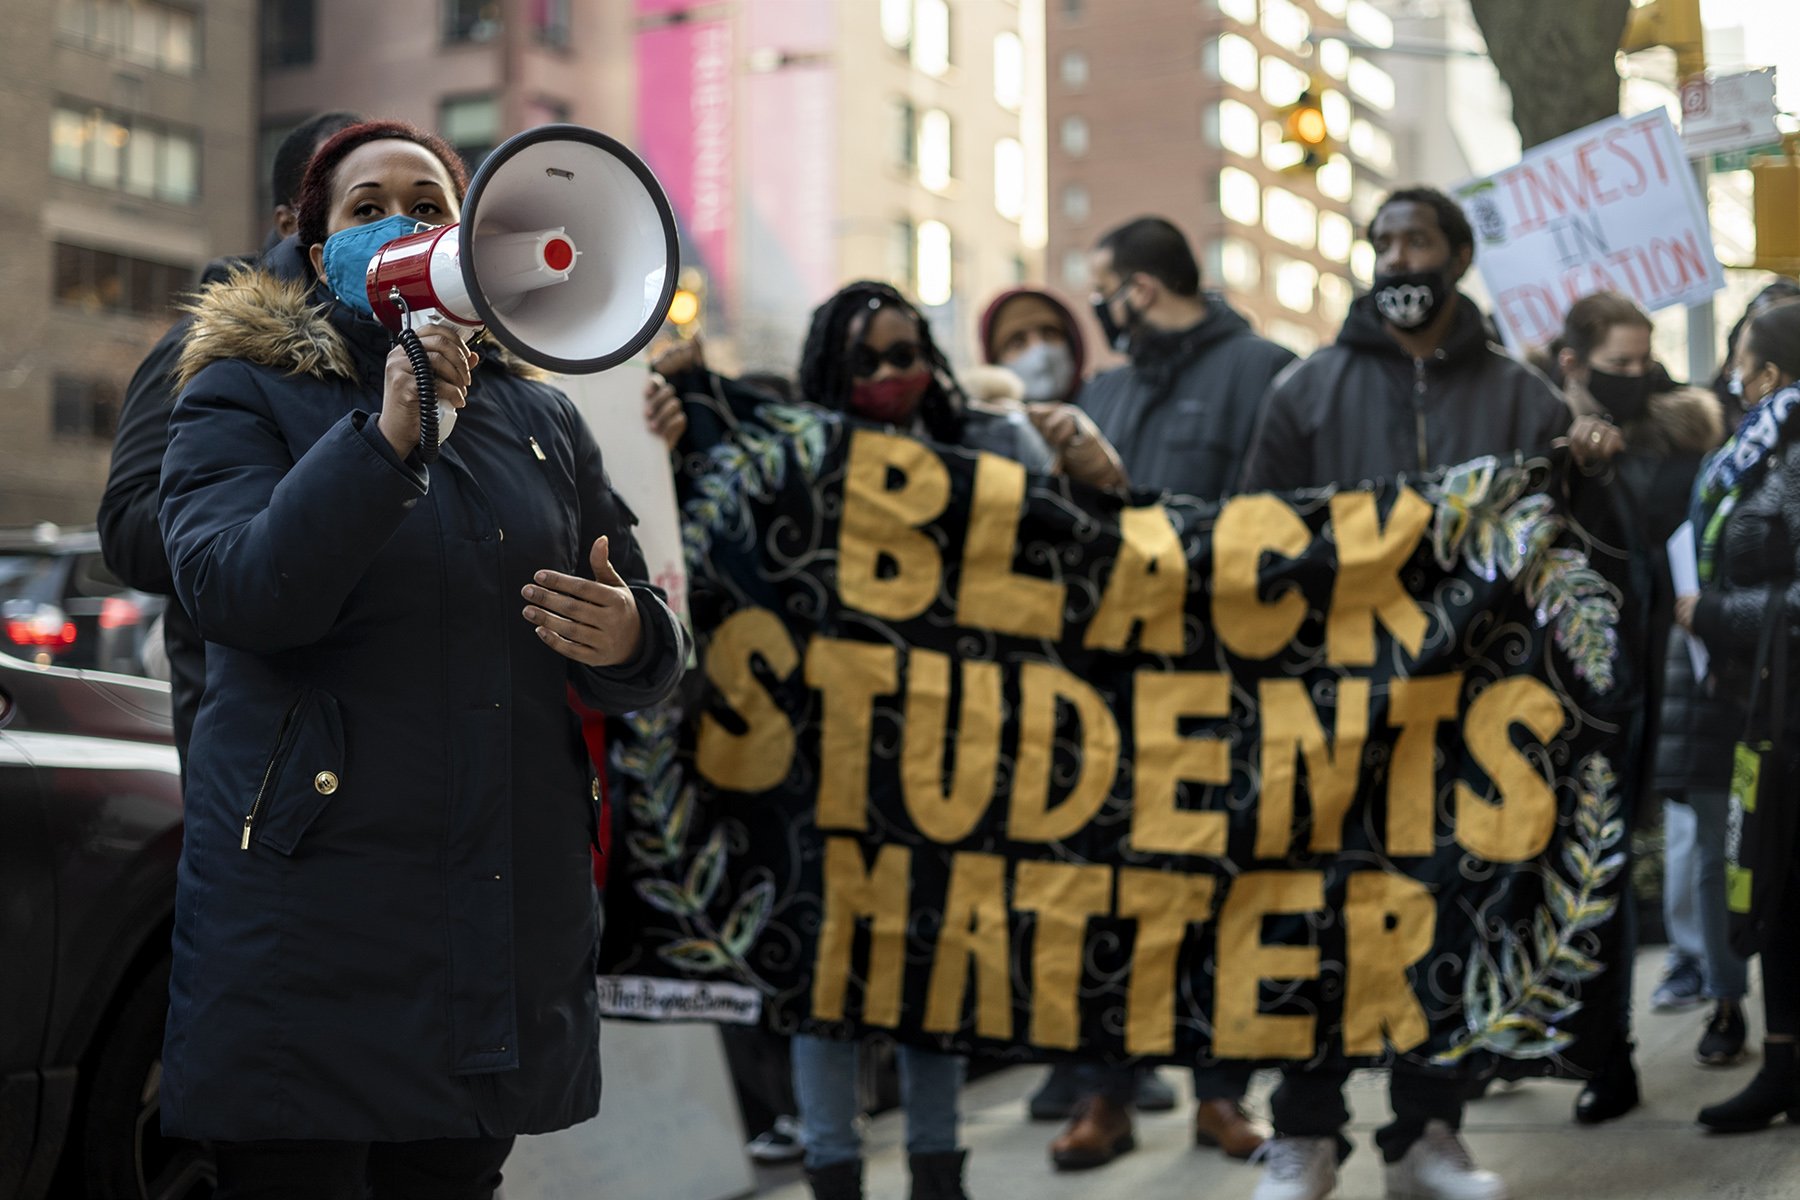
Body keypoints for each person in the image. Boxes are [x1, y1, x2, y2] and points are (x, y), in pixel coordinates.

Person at [155, 120, 689, 1199]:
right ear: (316, 256)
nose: (402, 223)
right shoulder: (238, 395)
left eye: (431, 203)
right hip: (309, 916)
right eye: (366, 208)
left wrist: (634, 638)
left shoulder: (542, 421)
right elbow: (238, 593)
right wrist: (382, 441)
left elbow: (634, 622)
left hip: (487, 910)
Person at [1238, 186, 1576, 1200]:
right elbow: (1257, 542)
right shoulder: (1305, 392)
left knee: (1445, 918)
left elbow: (1569, 550)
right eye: (1382, 242)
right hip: (1336, 709)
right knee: (1321, 919)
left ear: (1458, 258)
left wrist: (1590, 463)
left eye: (1416, 239)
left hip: (1469, 713)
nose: (1396, 257)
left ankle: (1429, 1132)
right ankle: (1304, 1134)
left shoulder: (1526, 401)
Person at [782, 279, 1070, 1200]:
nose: (889, 374)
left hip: (951, 761)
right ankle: (834, 1173)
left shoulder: (993, 443)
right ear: (831, 370)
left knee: (932, 978)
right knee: (826, 990)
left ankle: (940, 1178)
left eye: (906, 354)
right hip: (825, 764)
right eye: (864, 361)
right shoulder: (789, 459)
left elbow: (1070, 560)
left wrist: (1088, 472)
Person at [1036, 218, 1293, 1172]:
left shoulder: (1266, 370)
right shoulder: (1101, 387)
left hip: (1220, 682)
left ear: (1139, 288)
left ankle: (1223, 1096)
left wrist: (1126, 485)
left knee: (1222, 894)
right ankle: (1106, 1094)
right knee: (1112, 895)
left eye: (1103, 287)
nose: (1097, 307)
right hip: (1110, 690)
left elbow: (1276, 525)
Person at [97, 110, 361, 764]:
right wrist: (284, 497)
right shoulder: (209, 344)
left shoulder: (419, 348)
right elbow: (128, 531)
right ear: (287, 226)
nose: (384, 224)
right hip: (259, 748)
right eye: (351, 199)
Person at [1540, 292, 1725, 1124]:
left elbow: (1659, 543)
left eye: (1645, 361)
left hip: (1626, 686)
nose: (1640, 376)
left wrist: (1608, 470)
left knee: (1600, 868)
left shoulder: (1673, 436)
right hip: (1536, 684)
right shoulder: (1526, 420)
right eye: (1619, 365)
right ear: (1573, 363)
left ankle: (1603, 1053)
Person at [1683, 297, 1800, 1134]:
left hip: (1789, 700)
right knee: (1778, 892)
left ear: (1773, 373)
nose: (1734, 376)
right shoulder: (1753, 454)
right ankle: (1785, 1063)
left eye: (1744, 362)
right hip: (1767, 709)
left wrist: (1710, 615)